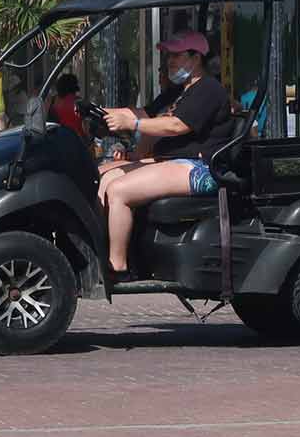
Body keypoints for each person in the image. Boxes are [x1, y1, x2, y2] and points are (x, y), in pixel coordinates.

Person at [100, 31, 230, 281]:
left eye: (176, 55)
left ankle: (118, 268)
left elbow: (175, 125)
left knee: (119, 190)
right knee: (104, 176)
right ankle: (102, 251)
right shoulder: (178, 90)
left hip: (201, 167)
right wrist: (102, 112)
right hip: (173, 161)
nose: (170, 61)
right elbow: (145, 113)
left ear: (196, 58)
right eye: (169, 55)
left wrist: (133, 124)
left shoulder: (209, 89)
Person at [47, 73, 84, 138]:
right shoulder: (78, 103)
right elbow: (83, 130)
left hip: (56, 142)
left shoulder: (52, 101)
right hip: (76, 142)